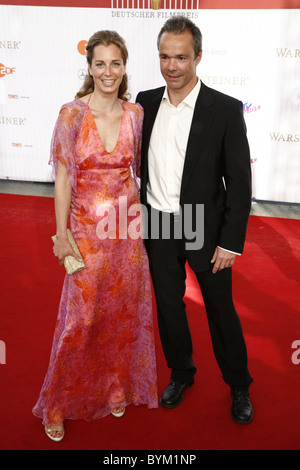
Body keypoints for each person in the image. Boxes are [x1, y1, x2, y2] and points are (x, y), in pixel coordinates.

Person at [32, 30, 158, 442]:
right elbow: (64, 178)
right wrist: (61, 234)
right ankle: (56, 402)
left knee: (122, 316)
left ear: (125, 67)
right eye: (100, 63)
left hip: (125, 235)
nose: (108, 72)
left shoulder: (136, 113)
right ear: (89, 68)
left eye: (115, 64)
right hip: (86, 232)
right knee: (80, 320)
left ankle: (115, 386)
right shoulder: (72, 114)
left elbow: (134, 174)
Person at [136, 16, 254, 424]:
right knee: (169, 308)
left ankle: (239, 384)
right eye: (165, 57)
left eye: (181, 57)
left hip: (205, 227)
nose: (172, 66)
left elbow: (239, 182)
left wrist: (230, 241)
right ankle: (181, 372)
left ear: (198, 57)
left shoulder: (223, 109)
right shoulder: (145, 101)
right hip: (159, 224)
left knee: (221, 310)